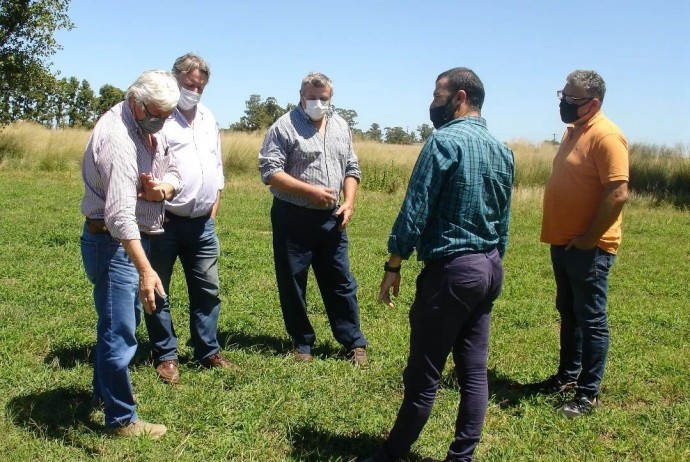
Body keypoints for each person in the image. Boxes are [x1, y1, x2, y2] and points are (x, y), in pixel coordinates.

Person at [363, 67, 514, 462]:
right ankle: (461, 457)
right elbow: (503, 221)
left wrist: (394, 263)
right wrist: (493, 264)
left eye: (437, 93)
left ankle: (390, 455)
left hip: (453, 271)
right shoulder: (503, 150)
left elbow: (416, 208)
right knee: (474, 372)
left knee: (424, 374)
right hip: (489, 266)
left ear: (460, 97)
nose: (433, 102)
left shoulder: (443, 143)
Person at [80, 70, 182, 438]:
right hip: (114, 243)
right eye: (158, 112)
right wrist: (145, 268)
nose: (164, 121)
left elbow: (174, 169)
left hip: (133, 239)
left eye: (169, 114)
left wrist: (165, 187)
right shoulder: (117, 139)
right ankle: (121, 420)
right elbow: (120, 215)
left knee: (115, 323)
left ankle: (101, 394)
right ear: (136, 103)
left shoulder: (149, 127)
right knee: (120, 331)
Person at [530, 70, 629, 418]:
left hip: (590, 247)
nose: (563, 103)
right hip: (565, 243)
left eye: (570, 99)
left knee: (591, 318)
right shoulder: (573, 132)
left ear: (593, 103)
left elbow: (617, 193)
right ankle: (566, 378)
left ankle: (588, 394)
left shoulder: (607, 136)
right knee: (569, 312)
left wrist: (589, 239)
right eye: (563, 95)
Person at [258, 72, 368, 366]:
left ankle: (353, 341)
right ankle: (302, 342)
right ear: (301, 95)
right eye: (312, 97)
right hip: (293, 216)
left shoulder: (341, 126)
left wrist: (349, 202)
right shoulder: (284, 127)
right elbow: (270, 172)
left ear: (331, 97)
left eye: (324, 98)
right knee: (293, 280)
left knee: (340, 281)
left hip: (333, 217)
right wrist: (310, 192)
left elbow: (352, 167)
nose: (318, 102)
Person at [144, 53, 234, 385]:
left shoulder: (208, 118)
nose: (194, 91)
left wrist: (216, 198)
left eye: (200, 86)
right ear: (174, 81)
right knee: (158, 290)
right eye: (188, 85)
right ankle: (166, 355)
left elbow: (216, 164)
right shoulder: (160, 119)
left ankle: (207, 350)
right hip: (164, 222)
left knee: (208, 290)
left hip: (202, 224)